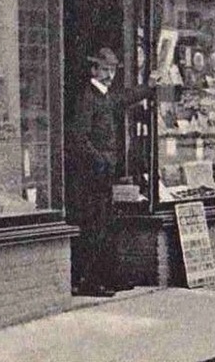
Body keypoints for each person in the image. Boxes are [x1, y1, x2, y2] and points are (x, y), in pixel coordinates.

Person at [66, 48, 154, 297]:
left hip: (103, 174)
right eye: (104, 69)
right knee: (94, 227)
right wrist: (101, 160)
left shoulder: (104, 96)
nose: (109, 75)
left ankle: (107, 277)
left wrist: (148, 87)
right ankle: (89, 282)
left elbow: (123, 98)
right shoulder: (88, 98)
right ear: (93, 70)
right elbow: (79, 139)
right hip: (91, 176)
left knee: (106, 226)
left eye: (113, 70)